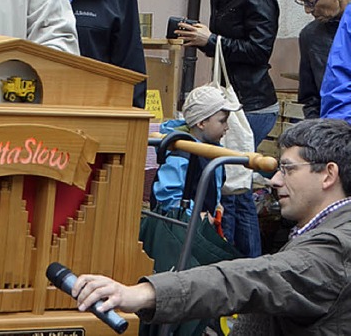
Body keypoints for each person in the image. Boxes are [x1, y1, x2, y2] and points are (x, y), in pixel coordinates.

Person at [73, 118, 351, 335]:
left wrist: (143, 293)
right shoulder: (326, 227)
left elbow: (252, 278)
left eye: (288, 169)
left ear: (328, 174)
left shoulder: (336, 248)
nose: (274, 180)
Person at [175, 0, 279, 258]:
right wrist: (204, 40)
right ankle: (243, 261)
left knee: (236, 187)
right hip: (233, 96)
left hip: (250, 102)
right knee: (236, 185)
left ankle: (242, 261)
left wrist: (213, 39)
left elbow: (259, 50)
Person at [285, 0, 351, 119]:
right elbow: (311, 98)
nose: (307, 10)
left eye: (310, 1)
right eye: (303, 2)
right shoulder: (310, 35)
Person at [151, 85, 239, 216]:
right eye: (222, 121)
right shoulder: (180, 153)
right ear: (201, 123)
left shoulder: (213, 151)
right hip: (180, 230)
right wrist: (196, 215)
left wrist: (217, 206)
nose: (227, 127)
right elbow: (168, 195)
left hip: (201, 226)